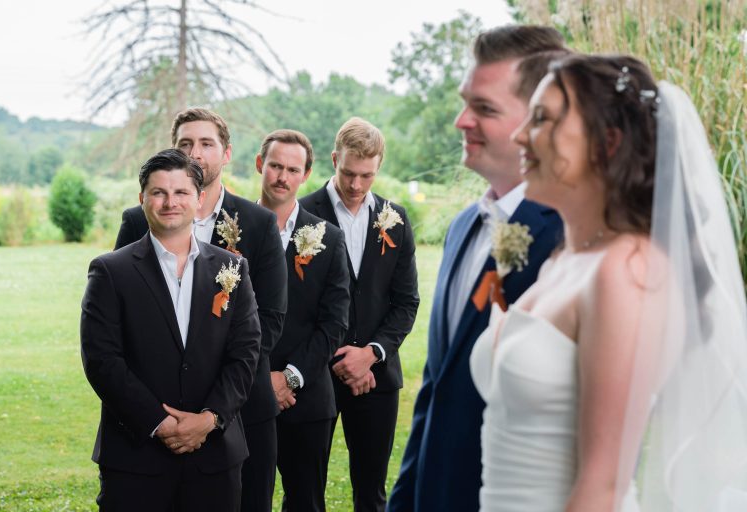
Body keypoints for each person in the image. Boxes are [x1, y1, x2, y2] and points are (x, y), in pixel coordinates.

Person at [470, 53, 747, 511]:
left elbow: (603, 487)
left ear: (607, 142)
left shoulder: (629, 271)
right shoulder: (566, 258)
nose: (521, 134)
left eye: (542, 119)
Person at [388, 26, 566, 512]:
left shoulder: (573, 240)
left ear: (543, 121)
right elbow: (436, 387)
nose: (460, 120)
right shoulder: (464, 225)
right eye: (465, 102)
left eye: (484, 108)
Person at [114, 108, 287, 511]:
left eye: (206, 144)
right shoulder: (138, 220)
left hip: (239, 409)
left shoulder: (260, 223)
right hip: (157, 413)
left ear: (225, 153)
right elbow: (120, 316)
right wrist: (166, 411)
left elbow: (270, 320)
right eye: (185, 144)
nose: (195, 153)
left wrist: (210, 409)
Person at [81, 149, 261, 511]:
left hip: (215, 458)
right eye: (158, 192)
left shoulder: (233, 268)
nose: (169, 202)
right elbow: (102, 360)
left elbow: (245, 354)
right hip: (136, 458)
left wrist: (209, 419)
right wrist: (160, 424)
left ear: (199, 199)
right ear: (142, 199)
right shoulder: (110, 271)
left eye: (180, 192)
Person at [300, 117, 420, 512]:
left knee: (372, 494)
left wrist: (372, 353)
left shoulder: (396, 220)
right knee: (305, 493)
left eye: (366, 176)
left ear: (379, 167)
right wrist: (334, 357)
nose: (355, 185)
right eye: (348, 173)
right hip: (314, 376)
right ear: (334, 159)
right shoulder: (301, 215)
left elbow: (406, 302)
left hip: (377, 377)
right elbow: (295, 305)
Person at [255, 129, 351, 511]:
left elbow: (334, 323)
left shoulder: (328, 237)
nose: (282, 177)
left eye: (292, 169)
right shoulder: (229, 231)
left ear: (306, 175)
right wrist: (260, 379)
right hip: (243, 394)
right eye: (275, 166)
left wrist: (291, 376)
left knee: (306, 502)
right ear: (260, 164)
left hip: (307, 396)